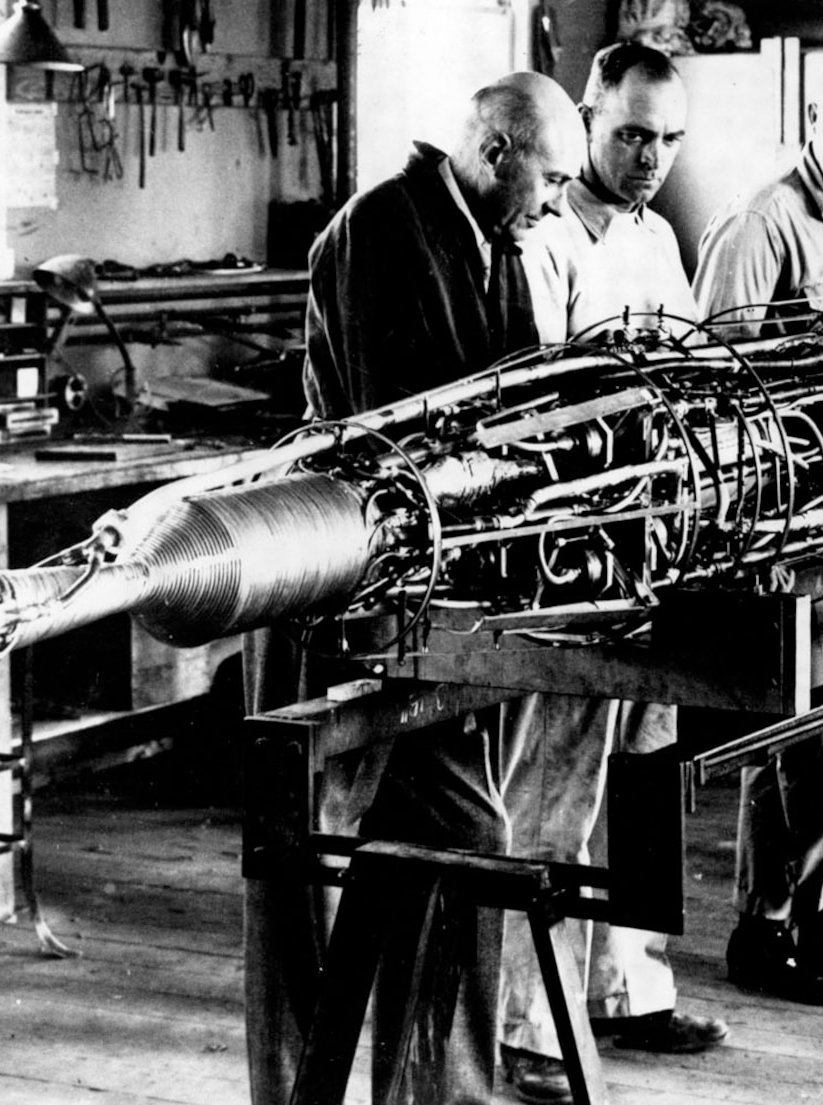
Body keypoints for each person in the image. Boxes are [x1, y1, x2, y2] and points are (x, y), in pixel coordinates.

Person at [244, 71, 583, 1105]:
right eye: (551, 179)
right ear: (494, 155)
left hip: (428, 602)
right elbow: (424, 435)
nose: (557, 202)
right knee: (343, 872)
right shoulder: (383, 233)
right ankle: (358, 1095)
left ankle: (421, 1093)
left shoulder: (493, 241)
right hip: (341, 594)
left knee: (434, 855)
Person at [498, 41, 727, 1104]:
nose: (650, 157)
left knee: (642, 769)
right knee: (559, 781)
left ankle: (628, 990)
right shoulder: (548, 241)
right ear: (588, 118)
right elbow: (537, 410)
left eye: (668, 139)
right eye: (632, 133)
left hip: (655, 543)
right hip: (574, 553)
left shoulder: (656, 235)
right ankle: (526, 1023)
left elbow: (686, 370)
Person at [691, 46, 823, 1005]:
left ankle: (773, 917)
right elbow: (714, 386)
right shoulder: (764, 223)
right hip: (789, 524)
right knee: (804, 733)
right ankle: (804, 920)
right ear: (808, 118)